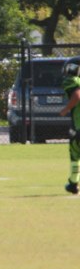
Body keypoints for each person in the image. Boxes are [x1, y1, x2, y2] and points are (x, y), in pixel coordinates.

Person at [58, 59, 80, 194]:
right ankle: (73, 183)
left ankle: (73, 183)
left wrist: (65, 109)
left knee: (75, 153)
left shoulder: (71, 81)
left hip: (78, 126)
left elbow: (77, 95)